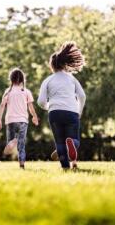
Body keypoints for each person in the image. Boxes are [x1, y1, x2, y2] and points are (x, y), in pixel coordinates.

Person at [37, 41, 86, 170]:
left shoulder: (48, 80)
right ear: (65, 64)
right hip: (72, 112)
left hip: (55, 113)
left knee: (59, 142)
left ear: (52, 66)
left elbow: (41, 101)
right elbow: (82, 96)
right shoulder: (71, 79)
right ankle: (72, 144)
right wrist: (79, 111)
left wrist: (50, 107)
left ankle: (65, 167)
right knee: (73, 139)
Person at [0, 68, 39, 169]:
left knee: (10, 141)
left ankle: (12, 141)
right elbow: (31, 107)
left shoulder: (8, 91)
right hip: (23, 121)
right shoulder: (26, 92)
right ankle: (22, 164)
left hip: (10, 121)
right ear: (23, 80)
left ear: (11, 79)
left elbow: (2, 106)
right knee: (22, 145)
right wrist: (35, 117)